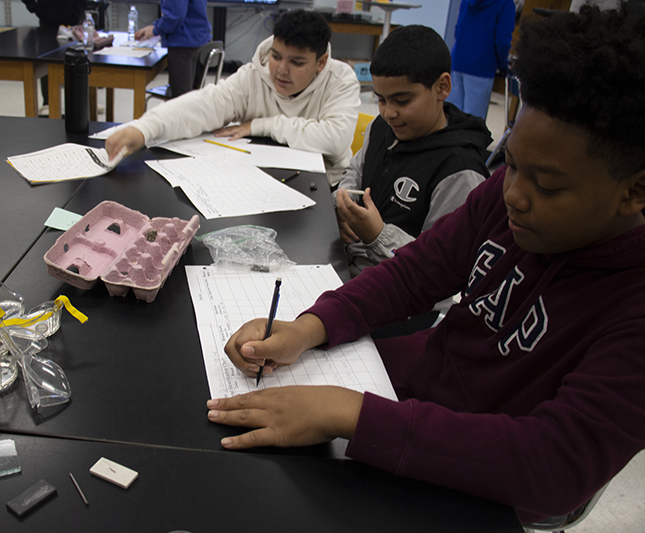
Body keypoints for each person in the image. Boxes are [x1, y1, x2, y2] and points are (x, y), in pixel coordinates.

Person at [209, 6, 645, 524]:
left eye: (547, 185)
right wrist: (308, 327)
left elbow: (552, 466)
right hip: (415, 386)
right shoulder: (501, 198)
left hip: (481, 476)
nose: (514, 196)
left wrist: (348, 413)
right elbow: (414, 273)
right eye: (512, 166)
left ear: (634, 191)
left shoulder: (633, 309)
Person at [105, 10, 361, 187]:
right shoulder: (253, 75)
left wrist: (262, 124)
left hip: (325, 185)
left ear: (321, 62)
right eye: (276, 56)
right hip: (259, 179)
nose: (281, 70)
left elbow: (335, 139)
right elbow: (204, 105)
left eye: (296, 62)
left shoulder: (340, 80)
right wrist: (143, 128)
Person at [335, 25, 491, 279]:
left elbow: (441, 266)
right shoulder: (383, 127)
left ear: (442, 87)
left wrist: (377, 235)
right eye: (382, 99)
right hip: (348, 264)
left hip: (396, 295)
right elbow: (355, 170)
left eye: (402, 100)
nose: (389, 112)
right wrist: (344, 206)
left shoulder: (460, 172)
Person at [446, 0, 515, 120]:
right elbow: (502, 41)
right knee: (472, 122)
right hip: (482, 65)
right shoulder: (506, 3)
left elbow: (458, 29)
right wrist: (503, 65)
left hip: (458, 61)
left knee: (451, 117)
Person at [134, 0, 212, 98]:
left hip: (183, 44)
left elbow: (175, 16)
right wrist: (156, 27)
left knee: (181, 103)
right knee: (191, 100)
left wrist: (156, 30)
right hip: (198, 39)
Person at [22, 0, 85, 114]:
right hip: (48, 16)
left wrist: (79, 9)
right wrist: (35, 8)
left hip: (74, 17)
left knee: (78, 59)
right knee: (47, 59)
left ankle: (82, 100)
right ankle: (48, 102)